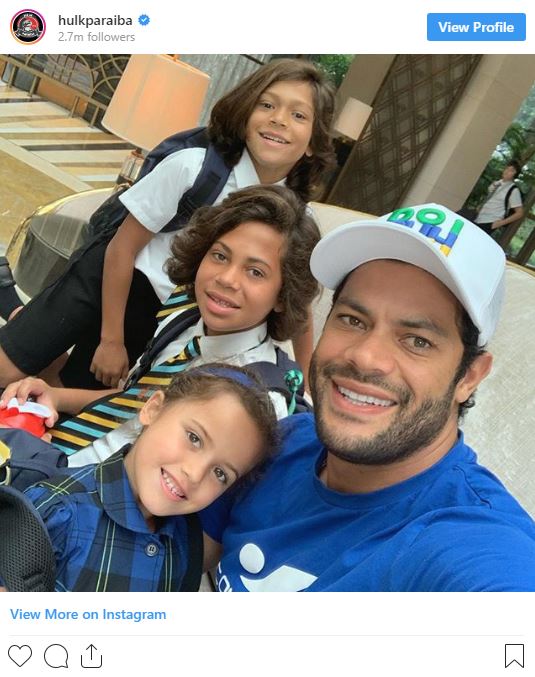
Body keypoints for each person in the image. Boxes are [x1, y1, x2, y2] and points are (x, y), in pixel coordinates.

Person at [201, 203, 535, 592]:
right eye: (353, 320)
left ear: (470, 376)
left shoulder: (472, 543)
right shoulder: (282, 442)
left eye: (417, 340)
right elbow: (163, 552)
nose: (366, 357)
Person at [0, 58, 335, 390]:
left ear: (313, 143)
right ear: (246, 114)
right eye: (267, 104)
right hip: (111, 280)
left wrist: (302, 389)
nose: (279, 120)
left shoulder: (298, 219)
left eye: (298, 115)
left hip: (162, 321)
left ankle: (13, 306)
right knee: (8, 370)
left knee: (62, 395)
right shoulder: (192, 169)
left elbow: (299, 307)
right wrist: (111, 340)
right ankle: (20, 314)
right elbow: (121, 248)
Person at [0, 185, 320, 466]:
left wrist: (41, 468)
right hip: (68, 448)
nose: (226, 279)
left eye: (256, 272)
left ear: (283, 294)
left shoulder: (254, 397)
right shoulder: (183, 315)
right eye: (220, 256)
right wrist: (57, 396)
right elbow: (134, 399)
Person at [0, 364, 278, 592]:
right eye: (194, 438)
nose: (194, 474)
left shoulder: (184, 545)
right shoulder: (56, 511)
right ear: (153, 409)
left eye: (221, 473)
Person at [475, 160, 524, 235]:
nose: (507, 171)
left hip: (490, 221)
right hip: (479, 217)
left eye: (511, 170)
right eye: (507, 168)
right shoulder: (497, 183)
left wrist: (500, 223)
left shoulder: (513, 190)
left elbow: (519, 213)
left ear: (515, 174)